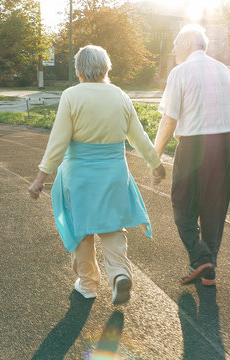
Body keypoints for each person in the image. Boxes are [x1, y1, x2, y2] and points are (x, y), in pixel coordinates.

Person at [29, 45, 166, 305]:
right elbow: (139, 138)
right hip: (114, 173)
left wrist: (40, 179)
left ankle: (88, 284)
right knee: (112, 225)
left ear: (79, 70)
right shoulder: (120, 96)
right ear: (106, 68)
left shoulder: (71, 96)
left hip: (79, 175)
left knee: (80, 228)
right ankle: (119, 274)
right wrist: (156, 164)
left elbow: (58, 142)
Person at [153, 24, 230, 287]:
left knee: (182, 206)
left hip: (195, 143)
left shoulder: (180, 72)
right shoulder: (225, 71)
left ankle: (200, 256)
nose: (173, 48)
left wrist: (154, 156)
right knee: (214, 208)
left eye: (176, 43)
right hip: (226, 141)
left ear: (189, 44)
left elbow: (169, 120)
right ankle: (208, 270)